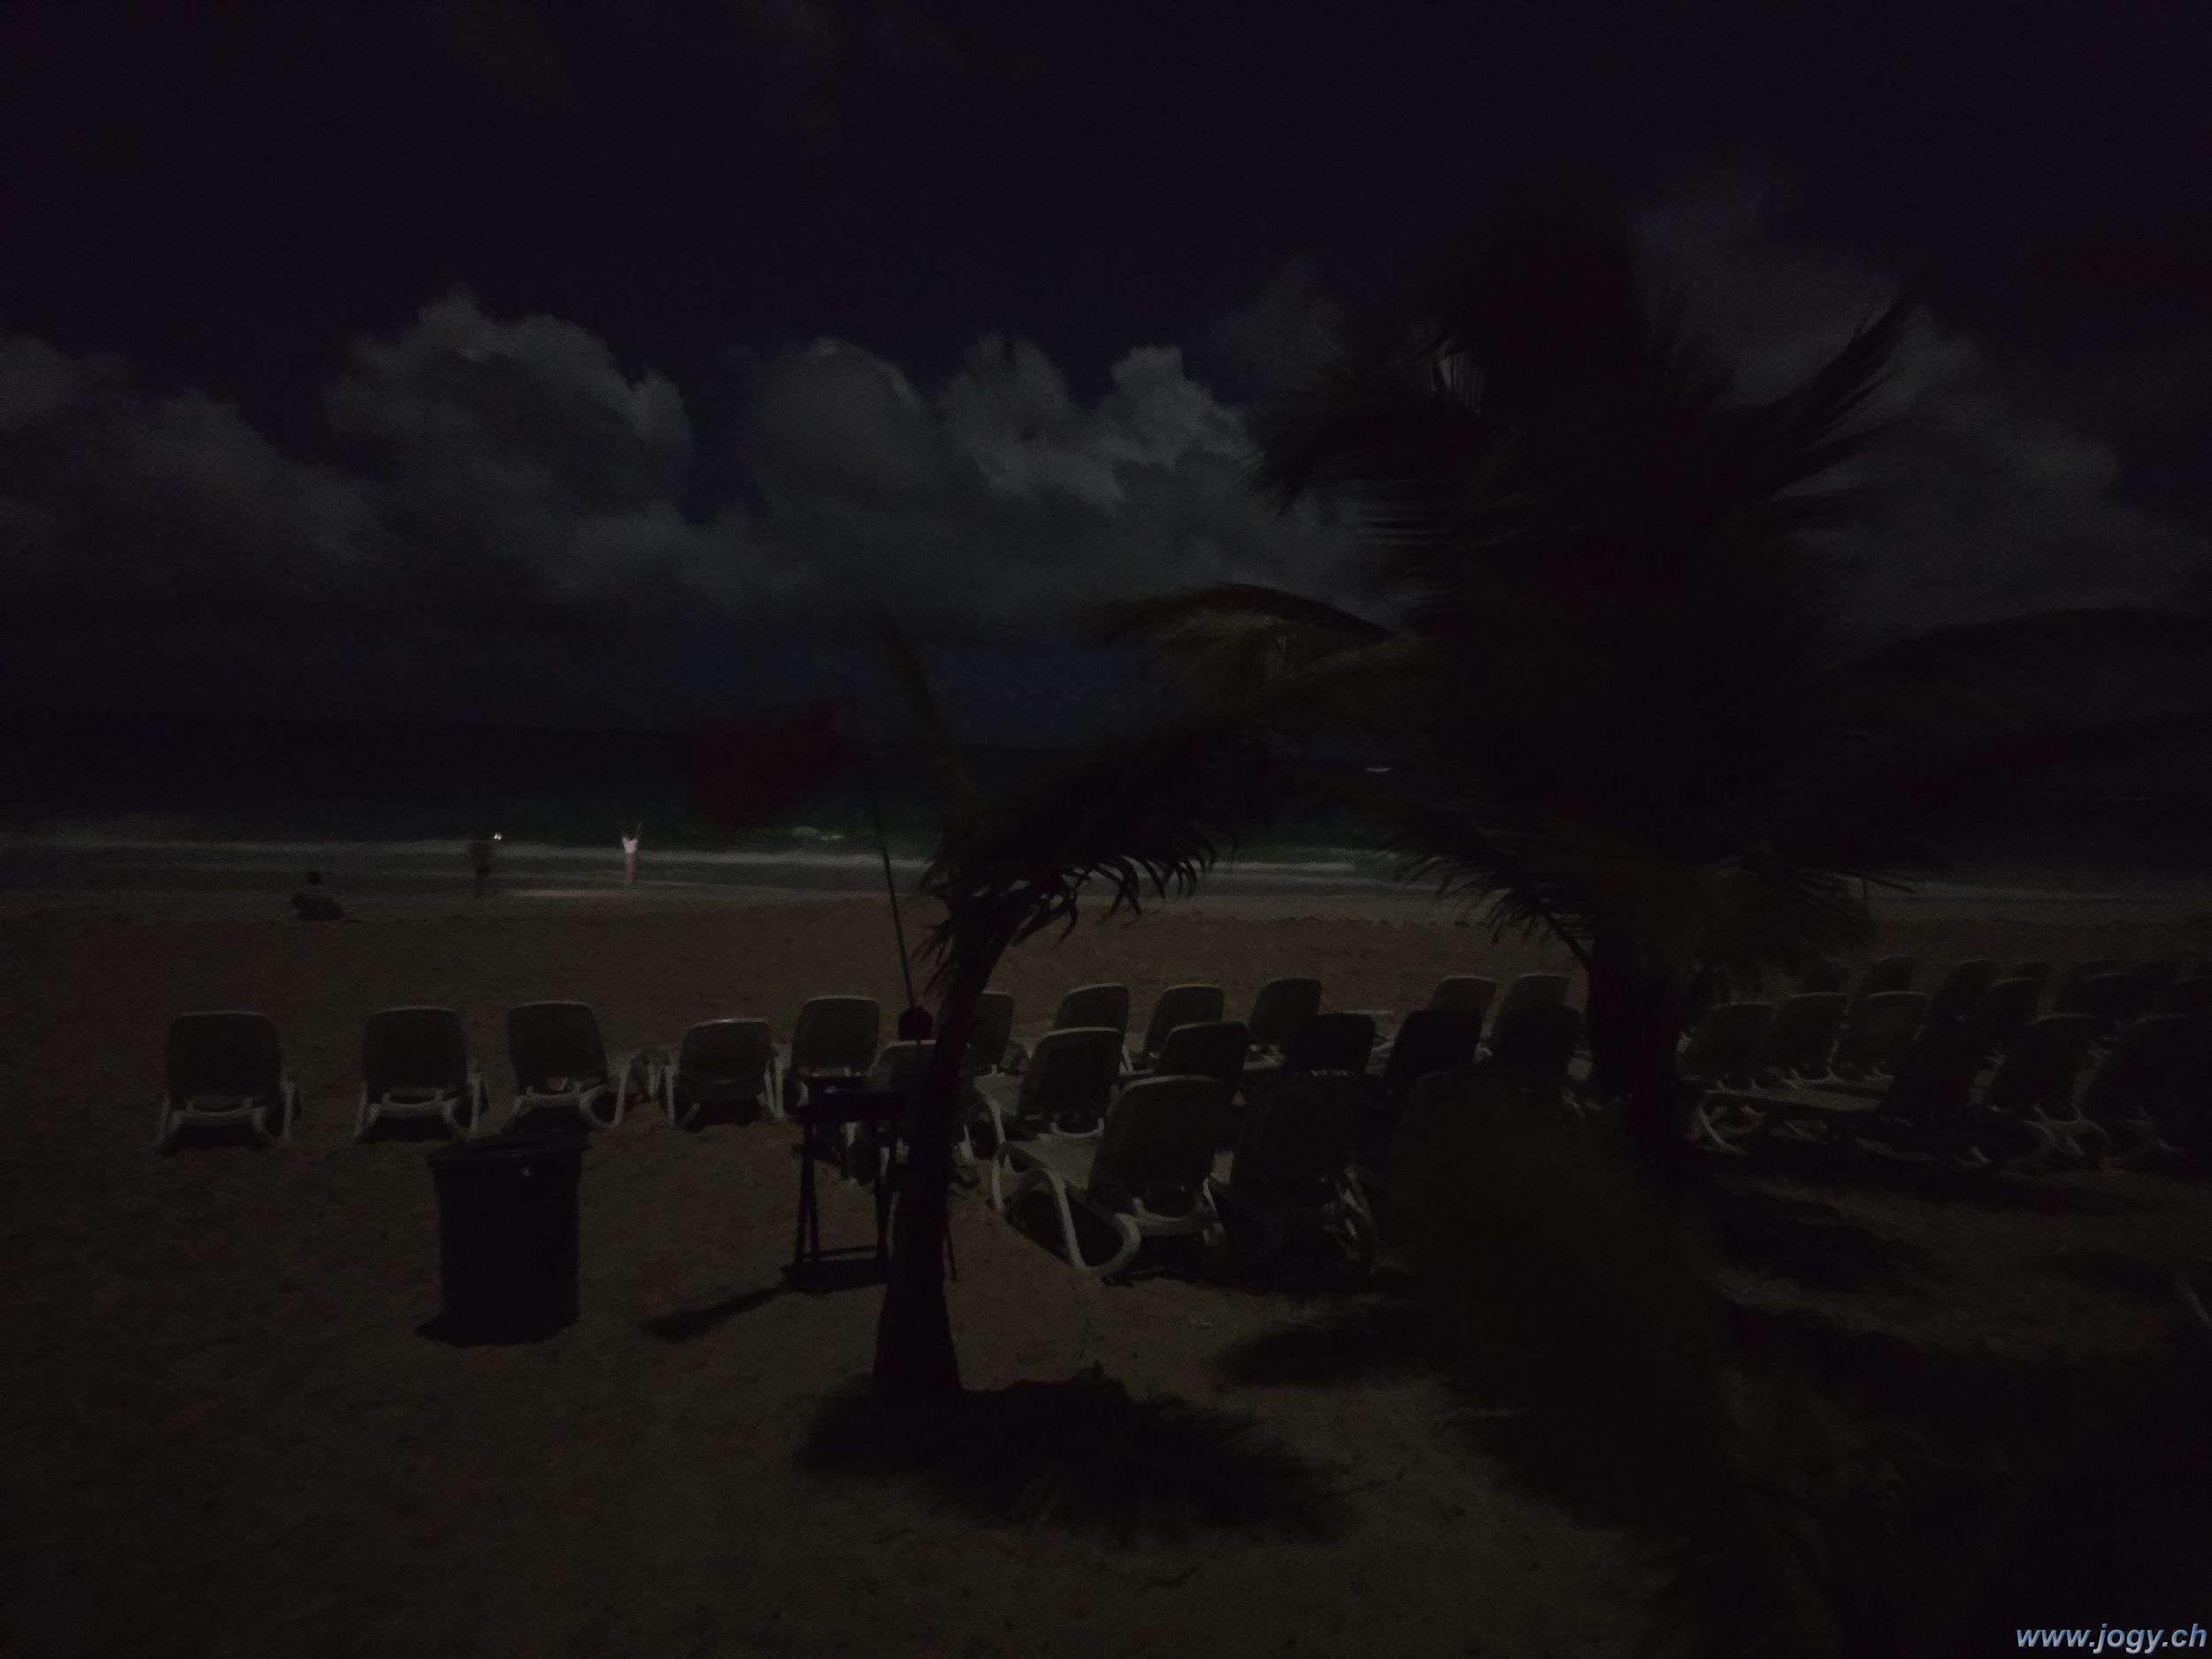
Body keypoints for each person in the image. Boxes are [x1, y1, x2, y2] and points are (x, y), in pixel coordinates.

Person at [466, 833, 499, 899]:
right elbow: (491, 855)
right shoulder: (488, 846)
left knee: (480, 879)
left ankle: (479, 893)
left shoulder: (478, 845)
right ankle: (486, 892)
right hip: (485, 864)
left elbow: (472, 852)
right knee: (486, 879)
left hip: (480, 864)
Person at [620, 822, 641, 888]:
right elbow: (637, 835)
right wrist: (638, 828)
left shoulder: (624, 840)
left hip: (627, 856)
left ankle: (628, 883)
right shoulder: (634, 841)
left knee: (628, 870)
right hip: (633, 856)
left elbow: (624, 835)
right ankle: (631, 883)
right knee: (633, 870)